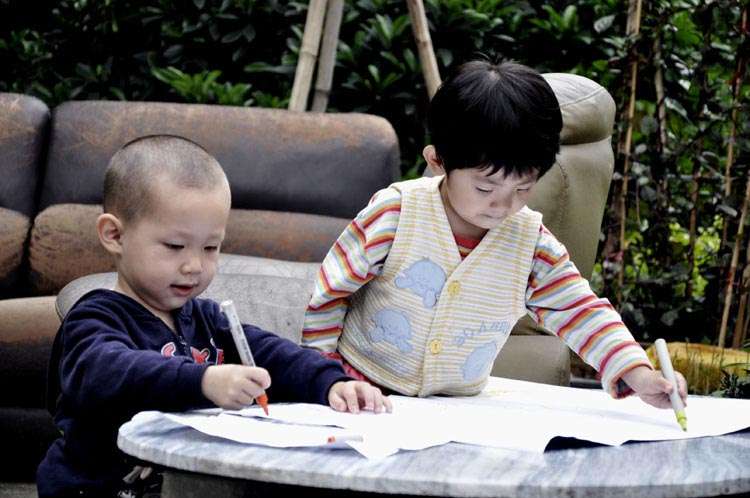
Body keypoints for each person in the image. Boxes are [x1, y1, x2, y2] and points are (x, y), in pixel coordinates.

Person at [301, 60, 687, 407]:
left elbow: (580, 311)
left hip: (455, 408)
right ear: (438, 161)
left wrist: (639, 373)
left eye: (523, 188)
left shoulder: (530, 244)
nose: (502, 205)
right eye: (485, 187)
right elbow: (329, 294)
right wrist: (325, 376)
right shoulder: (396, 214)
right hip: (359, 390)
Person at [37, 135, 391, 498]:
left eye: (210, 247)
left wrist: (332, 383)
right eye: (175, 246)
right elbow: (106, 373)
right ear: (114, 235)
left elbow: (273, 355)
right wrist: (203, 380)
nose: (194, 265)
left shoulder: (208, 320)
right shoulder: (94, 319)